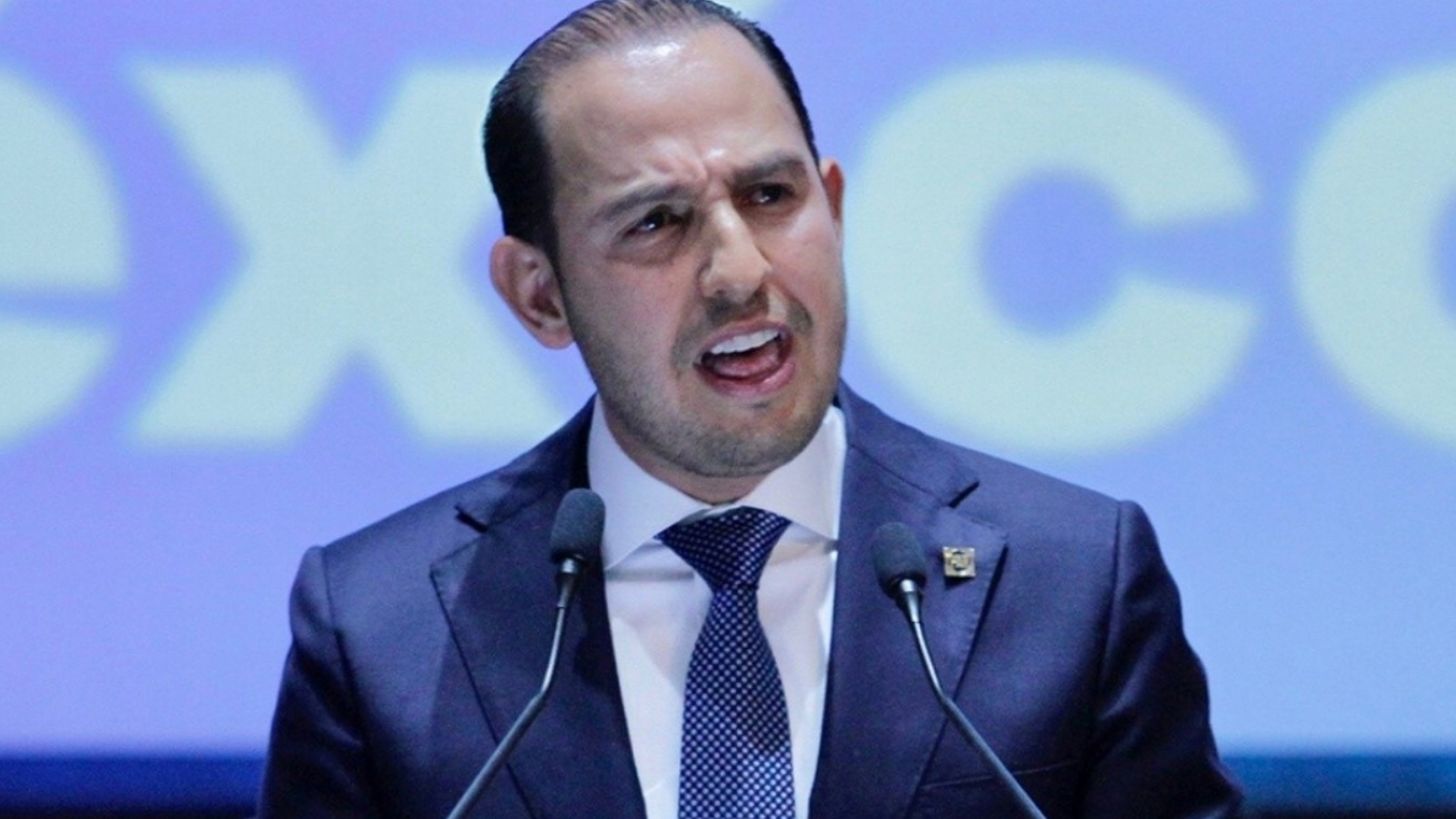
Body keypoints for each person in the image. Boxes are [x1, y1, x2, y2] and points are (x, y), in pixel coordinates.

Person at [258, 1, 1243, 816]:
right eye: (657, 221)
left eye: (771, 196)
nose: (738, 271)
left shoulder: (1073, 582)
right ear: (540, 295)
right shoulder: (378, 631)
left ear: (833, 207)